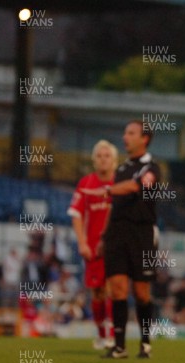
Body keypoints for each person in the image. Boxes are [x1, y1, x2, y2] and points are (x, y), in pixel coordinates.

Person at [82, 121, 161, 359]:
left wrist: (107, 190)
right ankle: (119, 345)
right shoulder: (122, 168)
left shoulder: (152, 167)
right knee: (116, 289)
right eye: (125, 132)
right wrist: (103, 237)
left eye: (130, 133)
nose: (125, 137)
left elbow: (135, 187)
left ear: (144, 138)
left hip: (141, 234)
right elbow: (113, 206)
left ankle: (145, 342)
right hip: (117, 233)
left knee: (141, 293)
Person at [67, 139, 118, 350]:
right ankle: (101, 334)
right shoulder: (86, 183)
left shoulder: (119, 183)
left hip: (115, 246)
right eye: (99, 155)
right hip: (93, 247)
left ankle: (114, 336)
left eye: (107, 156)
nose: (103, 159)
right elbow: (76, 214)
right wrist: (82, 243)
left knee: (113, 290)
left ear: (114, 160)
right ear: (93, 160)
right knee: (97, 292)